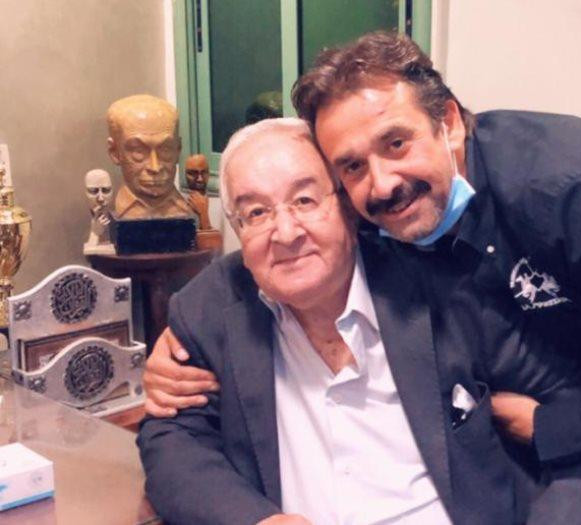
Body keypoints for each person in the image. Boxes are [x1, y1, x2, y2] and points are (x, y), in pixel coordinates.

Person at [145, 32, 581, 521]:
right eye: (255, 212)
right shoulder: (227, 300)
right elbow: (172, 439)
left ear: (449, 123)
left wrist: (556, 427)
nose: (383, 184)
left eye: (396, 143)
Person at [138, 118, 525, 525]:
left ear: (347, 207)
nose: (285, 233)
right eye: (257, 212)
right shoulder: (209, 305)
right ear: (238, 229)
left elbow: (548, 399)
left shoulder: (436, 283)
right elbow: (172, 440)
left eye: (304, 200)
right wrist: (257, 520)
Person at [106, 94, 191, 219]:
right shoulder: (119, 211)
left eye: (165, 150)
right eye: (139, 151)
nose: (155, 167)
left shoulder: (184, 210)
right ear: (114, 152)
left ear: (178, 149)